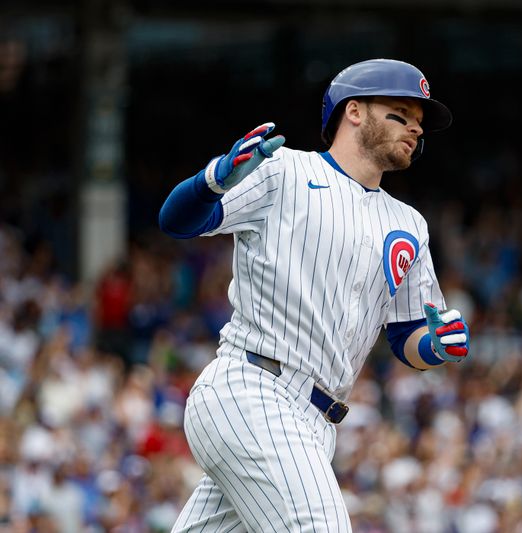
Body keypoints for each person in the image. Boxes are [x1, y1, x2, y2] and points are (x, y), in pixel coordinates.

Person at [159, 58, 472, 532]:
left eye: (419, 121)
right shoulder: (284, 169)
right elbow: (177, 222)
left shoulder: (410, 224)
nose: (414, 128)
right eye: (400, 113)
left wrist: (437, 346)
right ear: (354, 112)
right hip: (253, 389)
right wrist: (213, 180)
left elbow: (407, 336)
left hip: (316, 423)